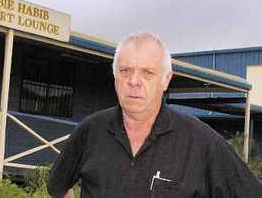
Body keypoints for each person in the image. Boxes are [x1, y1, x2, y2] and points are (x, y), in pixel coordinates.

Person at [48, 32, 262, 198]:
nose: (134, 81)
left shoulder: (201, 142)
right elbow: (58, 186)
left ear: (166, 79)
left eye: (147, 73)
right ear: (115, 76)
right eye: (125, 71)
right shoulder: (90, 131)